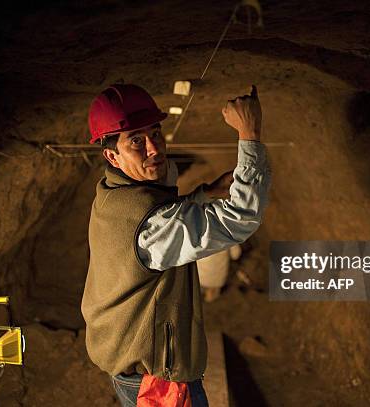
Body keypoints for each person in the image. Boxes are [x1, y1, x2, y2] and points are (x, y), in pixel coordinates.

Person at [81, 83, 271, 406]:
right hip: (158, 383)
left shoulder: (111, 195)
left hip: (127, 364)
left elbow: (160, 219)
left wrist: (203, 194)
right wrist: (249, 134)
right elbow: (242, 216)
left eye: (155, 133)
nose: (154, 148)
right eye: (136, 142)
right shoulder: (150, 225)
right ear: (112, 154)